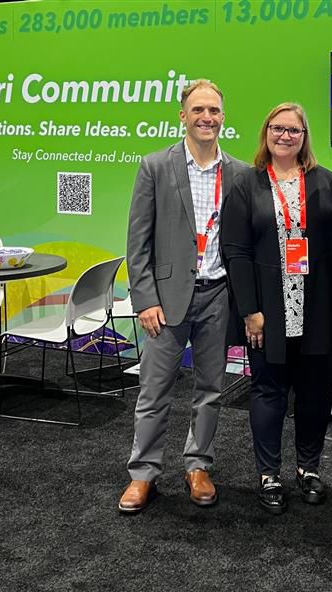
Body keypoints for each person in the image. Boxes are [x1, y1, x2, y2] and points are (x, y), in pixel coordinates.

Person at [119, 79, 250, 513]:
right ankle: (143, 475)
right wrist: (145, 299)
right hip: (167, 300)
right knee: (154, 392)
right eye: (198, 110)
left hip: (218, 295)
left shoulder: (239, 173)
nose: (206, 118)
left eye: (213, 110)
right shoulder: (155, 166)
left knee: (211, 388)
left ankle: (198, 465)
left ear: (223, 117)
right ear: (183, 115)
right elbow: (137, 243)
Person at [221, 103, 332, 514]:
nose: (285, 136)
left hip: (319, 308)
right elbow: (235, 251)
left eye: (294, 130)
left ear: (304, 135)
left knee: (314, 394)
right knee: (269, 392)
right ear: (266, 132)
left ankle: (308, 468)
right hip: (268, 313)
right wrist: (249, 310)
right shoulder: (245, 184)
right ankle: (268, 473)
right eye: (278, 128)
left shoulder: (326, 182)